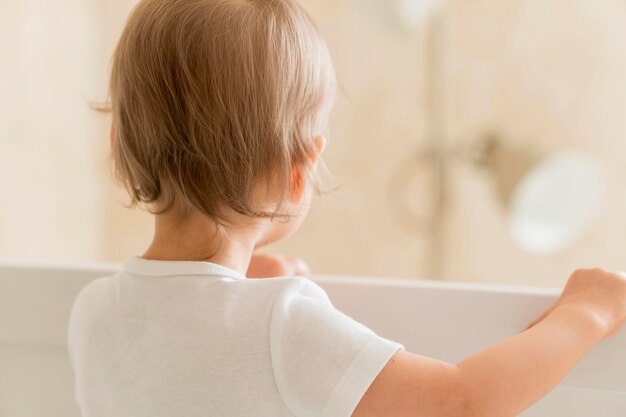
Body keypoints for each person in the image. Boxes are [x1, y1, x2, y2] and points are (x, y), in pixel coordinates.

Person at [68, 0, 626, 416]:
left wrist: (244, 285)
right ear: (299, 169)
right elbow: (459, 402)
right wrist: (585, 315)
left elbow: (200, 358)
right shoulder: (278, 322)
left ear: (119, 140)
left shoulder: (92, 315)